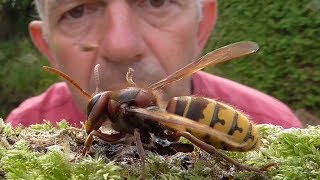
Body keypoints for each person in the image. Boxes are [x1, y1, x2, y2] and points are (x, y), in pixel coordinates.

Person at [6, 0, 302, 129]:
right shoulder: (23, 129)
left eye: (157, 1)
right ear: (47, 46)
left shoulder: (272, 122)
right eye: (77, 11)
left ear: (201, 27)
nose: (120, 46)